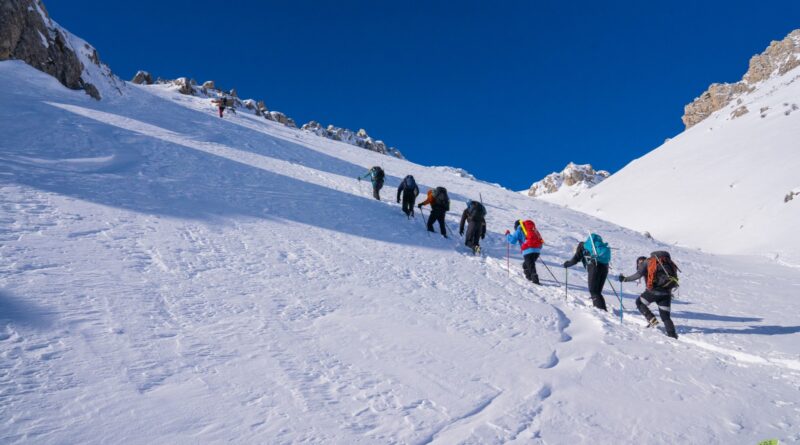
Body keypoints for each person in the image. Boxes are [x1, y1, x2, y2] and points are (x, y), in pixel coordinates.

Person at [617, 251, 680, 339]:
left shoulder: (649, 262)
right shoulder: (668, 262)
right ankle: (672, 335)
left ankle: (652, 319)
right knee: (665, 317)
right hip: (667, 293)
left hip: (653, 292)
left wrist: (625, 279)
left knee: (639, 302)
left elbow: (638, 274)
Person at [562, 234, 611, 311]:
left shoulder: (583, 246)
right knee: (597, 291)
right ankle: (600, 308)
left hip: (594, 268)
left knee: (594, 291)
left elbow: (575, 259)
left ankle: (601, 311)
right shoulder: (599, 247)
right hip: (605, 268)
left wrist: (567, 264)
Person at [505, 219, 543, 284]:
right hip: (537, 250)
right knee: (526, 265)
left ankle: (535, 280)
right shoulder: (533, 229)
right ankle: (529, 277)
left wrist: (508, 234)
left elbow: (512, 241)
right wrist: (537, 249)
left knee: (531, 265)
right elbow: (539, 239)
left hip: (527, 251)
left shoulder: (519, 230)